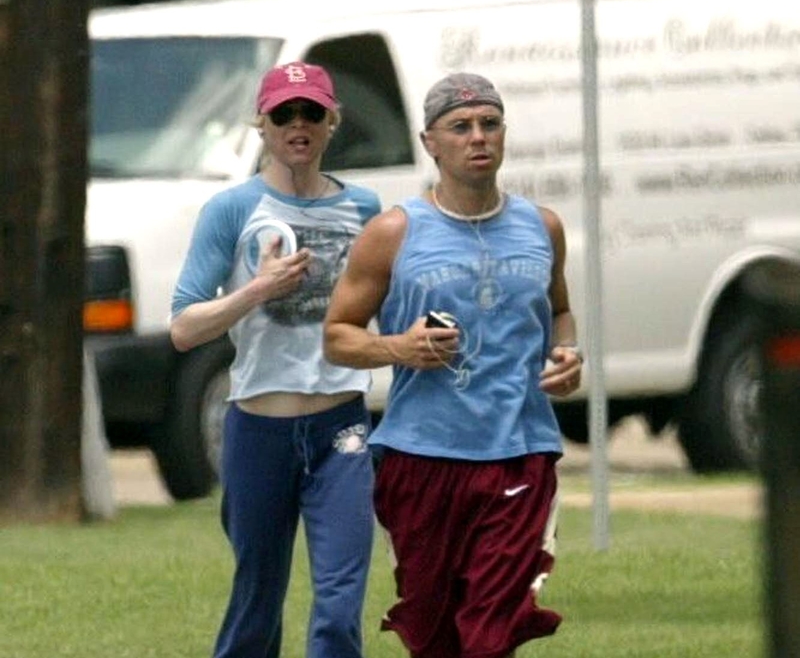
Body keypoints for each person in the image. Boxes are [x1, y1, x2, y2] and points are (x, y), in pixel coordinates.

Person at [323, 72, 583, 658]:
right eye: (460, 127)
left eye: (490, 124)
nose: (478, 137)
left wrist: (567, 354)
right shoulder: (394, 232)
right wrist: (399, 347)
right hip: (421, 459)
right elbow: (337, 337)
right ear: (429, 142)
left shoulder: (542, 228)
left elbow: (561, 312)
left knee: (491, 636)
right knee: (434, 637)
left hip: (520, 453)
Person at [170, 61, 381, 658]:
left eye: (311, 112)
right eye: (282, 114)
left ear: (331, 122)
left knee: (340, 610)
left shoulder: (365, 209)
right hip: (258, 429)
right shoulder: (232, 210)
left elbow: (392, 310)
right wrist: (258, 289)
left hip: (340, 428)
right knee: (257, 603)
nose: (298, 124)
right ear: (260, 125)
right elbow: (184, 327)